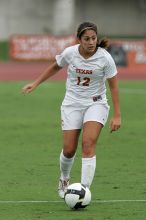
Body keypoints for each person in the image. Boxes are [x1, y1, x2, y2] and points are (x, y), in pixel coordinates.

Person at [22, 22, 121, 199]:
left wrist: (117, 115)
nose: (91, 42)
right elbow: (55, 66)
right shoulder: (70, 53)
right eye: (86, 39)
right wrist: (35, 83)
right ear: (79, 40)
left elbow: (113, 87)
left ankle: (84, 190)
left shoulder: (105, 58)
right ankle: (64, 179)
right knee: (68, 150)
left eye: (93, 38)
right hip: (72, 104)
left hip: (95, 104)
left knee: (88, 143)